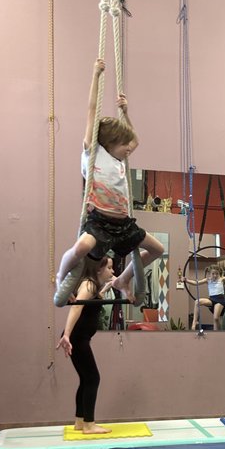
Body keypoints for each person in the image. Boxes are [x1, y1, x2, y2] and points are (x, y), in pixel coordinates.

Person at [55, 59, 164, 303]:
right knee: (82, 248)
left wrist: (126, 113)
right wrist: (96, 76)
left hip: (124, 223)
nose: (129, 148)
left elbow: (135, 140)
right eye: (124, 145)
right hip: (100, 222)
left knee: (157, 249)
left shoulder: (119, 160)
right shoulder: (93, 153)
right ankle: (61, 276)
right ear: (111, 143)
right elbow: (91, 111)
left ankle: (123, 279)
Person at [56, 256, 117, 435]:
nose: (112, 271)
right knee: (93, 378)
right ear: (98, 269)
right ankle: (89, 425)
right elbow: (77, 307)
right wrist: (67, 335)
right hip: (77, 338)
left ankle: (80, 421)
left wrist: (108, 286)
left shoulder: (94, 286)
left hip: (79, 338)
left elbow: (94, 301)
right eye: (109, 268)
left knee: (86, 379)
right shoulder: (89, 285)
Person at [185, 265, 225, 331]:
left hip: (220, 300)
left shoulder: (221, 279)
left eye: (217, 274)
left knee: (216, 318)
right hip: (212, 299)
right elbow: (196, 283)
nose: (215, 275)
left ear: (219, 273)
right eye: (213, 274)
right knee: (197, 302)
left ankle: (219, 332)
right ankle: (194, 323)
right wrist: (186, 280)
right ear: (210, 274)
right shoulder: (208, 280)